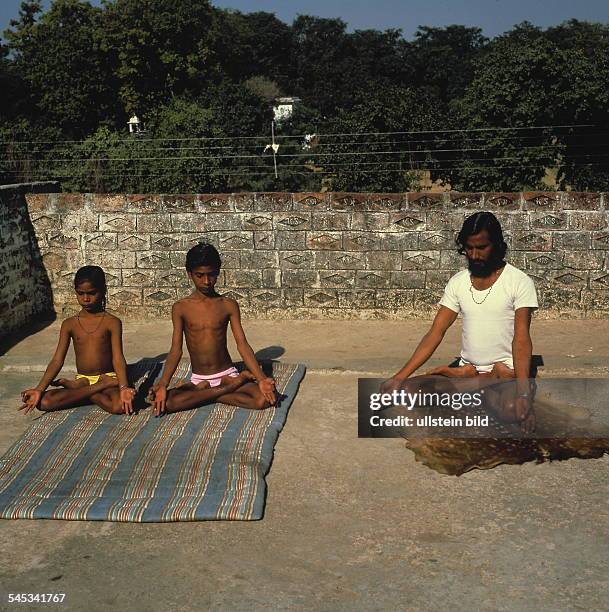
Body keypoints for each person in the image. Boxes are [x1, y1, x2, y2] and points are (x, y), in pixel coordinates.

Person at [382, 211, 539, 432]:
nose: (474, 255)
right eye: (469, 248)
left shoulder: (519, 281)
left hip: (507, 371)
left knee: (514, 409)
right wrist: (399, 377)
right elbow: (435, 332)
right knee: (408, 392)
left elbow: (522, 338)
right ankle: (481, 382)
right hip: (469, 371)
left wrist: (523, 392)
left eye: (481, 248)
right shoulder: (458, 282)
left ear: (496, 245)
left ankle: (487, 382)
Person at [150, 242, 278, 415]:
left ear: (218, 272)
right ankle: (232, 386)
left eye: (212, 275)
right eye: (200, 275)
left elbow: (242, 345)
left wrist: (262, 379)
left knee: (263, 399)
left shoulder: (228, 305)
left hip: (227, 373)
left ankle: (206, 393)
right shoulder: (181, 307)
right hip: (199, 378)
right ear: (189, 274)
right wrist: (163, 384)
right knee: (165, 404)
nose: (206, 281)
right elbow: (175, 350)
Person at [19, 266, 136, 415]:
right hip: (85, 379)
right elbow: (57, 360)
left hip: (108, 377)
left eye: (92, 293)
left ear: (103, 290)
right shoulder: (69, 324)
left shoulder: (112, 322)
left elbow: (118, 357)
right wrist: (39, 389)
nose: (86, 299)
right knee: (42, 402)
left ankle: (79, 392)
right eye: (80, 294)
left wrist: (123, 387)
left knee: (120, 406)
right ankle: (94, 390)